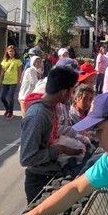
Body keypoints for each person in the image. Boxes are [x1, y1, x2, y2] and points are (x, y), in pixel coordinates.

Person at [20, 66, 80, 203]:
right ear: (64, 92)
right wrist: (60, 149)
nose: (73, 95)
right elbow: (26, 158)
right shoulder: (37, 116)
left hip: (53, 173)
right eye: (72, 91)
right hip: (40, 181)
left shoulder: (52, 108)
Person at [0, 45, 23, 120]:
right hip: (5, 81)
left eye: (12, 51)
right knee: (2, 97)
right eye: (10, 51)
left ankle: (10, 113)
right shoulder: (4, 61)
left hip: (13, 82)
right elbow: (2, 71)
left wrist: (19, 80)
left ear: (15, 52)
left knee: (10, 97)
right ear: (7, 52)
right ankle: (7, 109)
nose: (11, 52)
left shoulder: (18, 61)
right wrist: (0, 79)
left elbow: (20, 72)